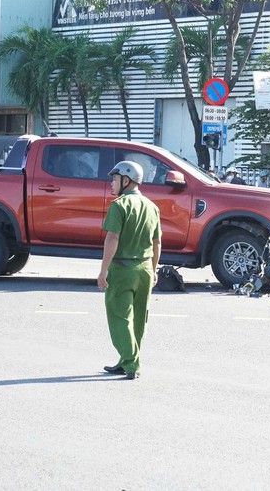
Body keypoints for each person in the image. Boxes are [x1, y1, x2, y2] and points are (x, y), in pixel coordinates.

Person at [97, 161, 161, 380]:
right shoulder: (152, 206)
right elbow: (157, 243)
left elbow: (112, 238)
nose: (111, 184)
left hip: (123, 269)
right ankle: (126, 360)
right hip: (144, 269)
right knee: (137, 318)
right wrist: (153, 270)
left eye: (114, 179)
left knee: (119, 317)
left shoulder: (119, 205)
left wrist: (103, 270)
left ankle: (132, 362)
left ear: (126, 180)